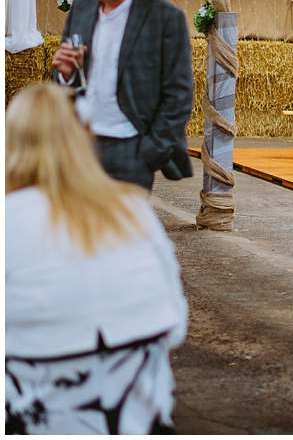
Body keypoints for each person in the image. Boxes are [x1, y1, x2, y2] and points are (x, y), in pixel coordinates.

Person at [5, 83, 188, 434]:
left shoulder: (7, 218)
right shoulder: (132, 209)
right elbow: (175, 324)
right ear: (84, 139)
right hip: (139, 419)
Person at [51, 0, 194, 190]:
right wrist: (65, 73)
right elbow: (68, 81)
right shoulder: (81, 8)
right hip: (79, 144)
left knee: (122, 230)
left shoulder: (164, 18)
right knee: (77, 229)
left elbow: (179, 94)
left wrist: (150, 151)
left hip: (132, 149)